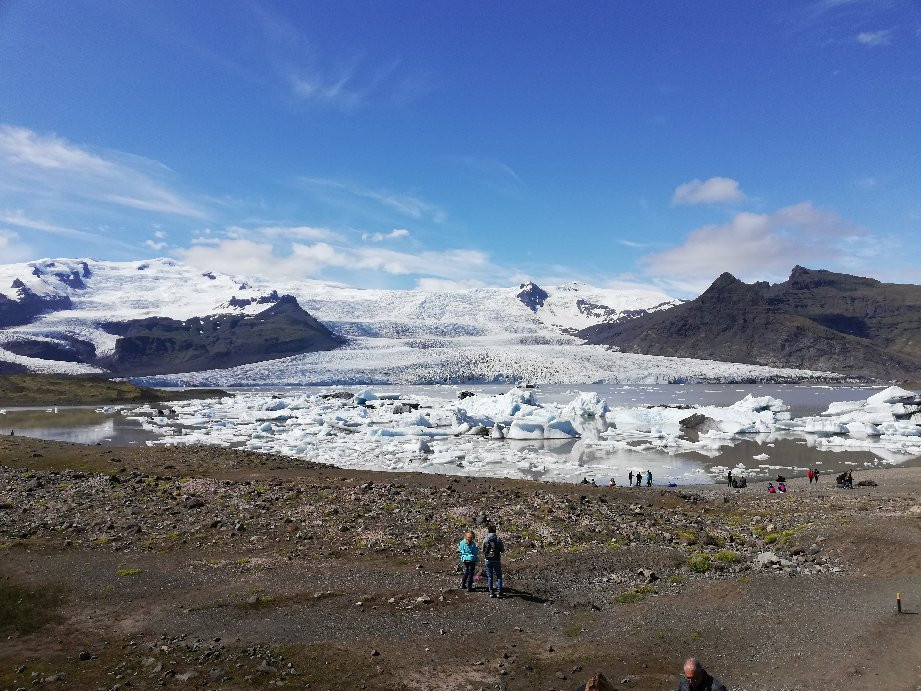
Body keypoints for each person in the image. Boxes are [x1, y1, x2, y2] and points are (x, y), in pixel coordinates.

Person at [482, 524, 505, 598]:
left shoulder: (485, 539)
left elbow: (483, 550)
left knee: (490, 576)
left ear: (488, 530)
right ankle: (499, 592)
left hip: (488, 560)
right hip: (496, 559)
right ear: (495, 531)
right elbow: (502, 550)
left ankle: (491, 592)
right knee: (499, 576)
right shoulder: (498, 539)